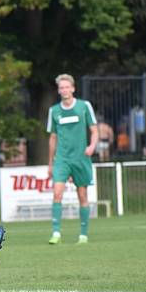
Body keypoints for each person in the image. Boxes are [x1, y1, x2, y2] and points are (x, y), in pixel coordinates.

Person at [46, 74, 98, 245]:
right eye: (61, 88)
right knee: (57, 194)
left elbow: (95, 130)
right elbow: (53, 138)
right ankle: (56, 233)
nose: (64, 90)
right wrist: (51, 163)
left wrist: (92, 146)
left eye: (67, 87)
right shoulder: (54, 111)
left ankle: (83, 235)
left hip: (81, 159)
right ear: (58, 90)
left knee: (82, 195)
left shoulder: (84, 106)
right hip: (62, 159)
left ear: (73, 88)